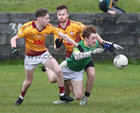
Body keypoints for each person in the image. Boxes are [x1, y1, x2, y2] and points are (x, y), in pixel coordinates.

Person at [41, 5, 123, 105]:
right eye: (59, 14)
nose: (61, 16)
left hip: (85, 55)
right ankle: (64, 95)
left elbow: (92, 33)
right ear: (57, 16)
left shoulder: (76, 25)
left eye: (63, 14)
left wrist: (103, 43)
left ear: (68, 15)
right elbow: (56, 48)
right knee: (57, 80)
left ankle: (85, 97)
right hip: (71, 58)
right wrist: (57, 45)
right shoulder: (57, 30)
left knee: (91, 74)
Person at [10, 8, 84, 106]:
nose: (49, 20)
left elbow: (64, 36)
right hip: (30, 57)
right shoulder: (27, 28)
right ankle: (21, 97)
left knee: (58, 71)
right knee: (28, 81)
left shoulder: (49, 27)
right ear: (39, 19)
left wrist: (77, 45)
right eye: (46, 18)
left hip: (43, 54)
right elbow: (13, 38)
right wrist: (14, 49)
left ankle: (62, 95)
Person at [53, 25, 123, 105]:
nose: (95, 40)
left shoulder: (95, 43)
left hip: (80, 68)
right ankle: (48, 66)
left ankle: (83, 96)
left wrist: (112, 45)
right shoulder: (79, 46)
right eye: (93, 38)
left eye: (95, 38)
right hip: (68, 66)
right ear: (86, 38)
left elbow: (103, 42)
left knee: (80, 94)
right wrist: (92, 52)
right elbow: (77, 56)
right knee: (52, 79)